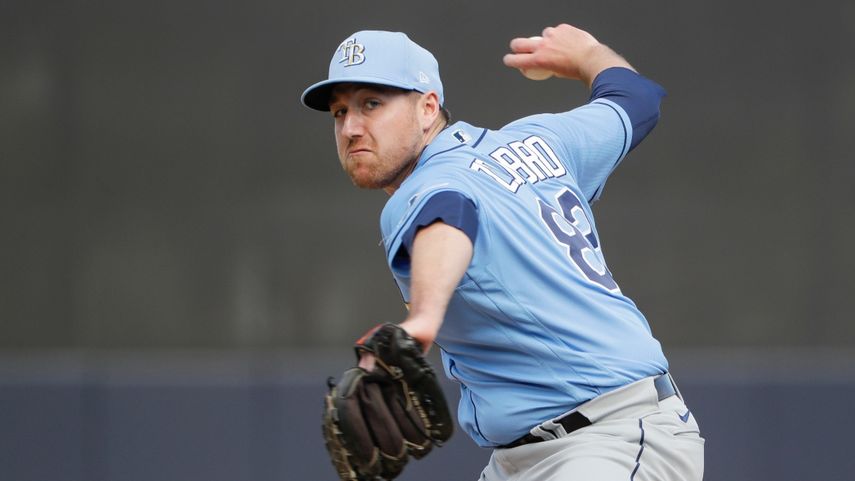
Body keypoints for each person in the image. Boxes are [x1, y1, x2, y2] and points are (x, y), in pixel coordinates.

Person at [301, 24, 704, 481]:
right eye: (339, 112)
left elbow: (449, 215)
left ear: (427, 107)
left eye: (372, 104)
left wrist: (423, 320)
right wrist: (590, 54)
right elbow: (636, 100)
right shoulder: (543, 140)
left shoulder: (424, 189)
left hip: (609, 439)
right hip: (528, 458)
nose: (351, 128)